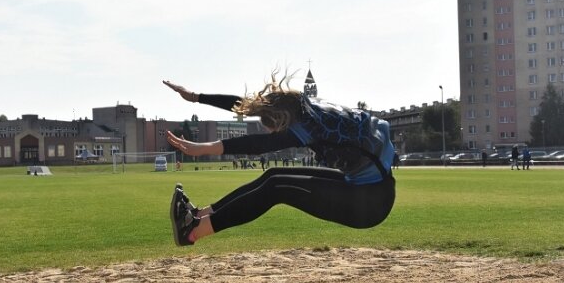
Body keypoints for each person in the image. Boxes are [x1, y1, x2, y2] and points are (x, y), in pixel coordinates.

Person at [163, 74, 396, 247]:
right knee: (273, 175)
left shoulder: (305, 128)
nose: (273, 133)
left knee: (277, 188)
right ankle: (199, 215)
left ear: (280, 120)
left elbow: (256, 145)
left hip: (369, 204)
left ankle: (194, 232)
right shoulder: (306, 108)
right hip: (368, 189)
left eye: (272, 127)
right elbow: (246, 105)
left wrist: (203, 148)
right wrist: (195, 97)